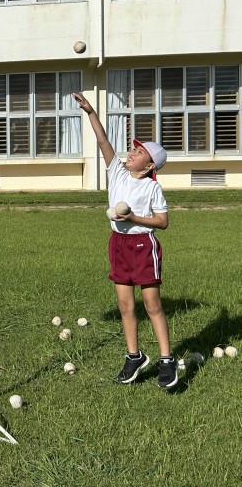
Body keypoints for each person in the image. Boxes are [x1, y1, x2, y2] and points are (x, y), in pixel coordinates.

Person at [73, 93, 178, 389]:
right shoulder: (117, 172)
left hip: (144, 245)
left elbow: (162, 222)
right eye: (133, 149)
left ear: (148, 166)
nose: (132, 153)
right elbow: (104, 141)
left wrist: (133, 218)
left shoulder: (152, 188)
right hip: (118, 244)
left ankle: (166, 359)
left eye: (140, 153)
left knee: (152, 304)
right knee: (124, 304)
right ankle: (134, 356)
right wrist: (90, 111)